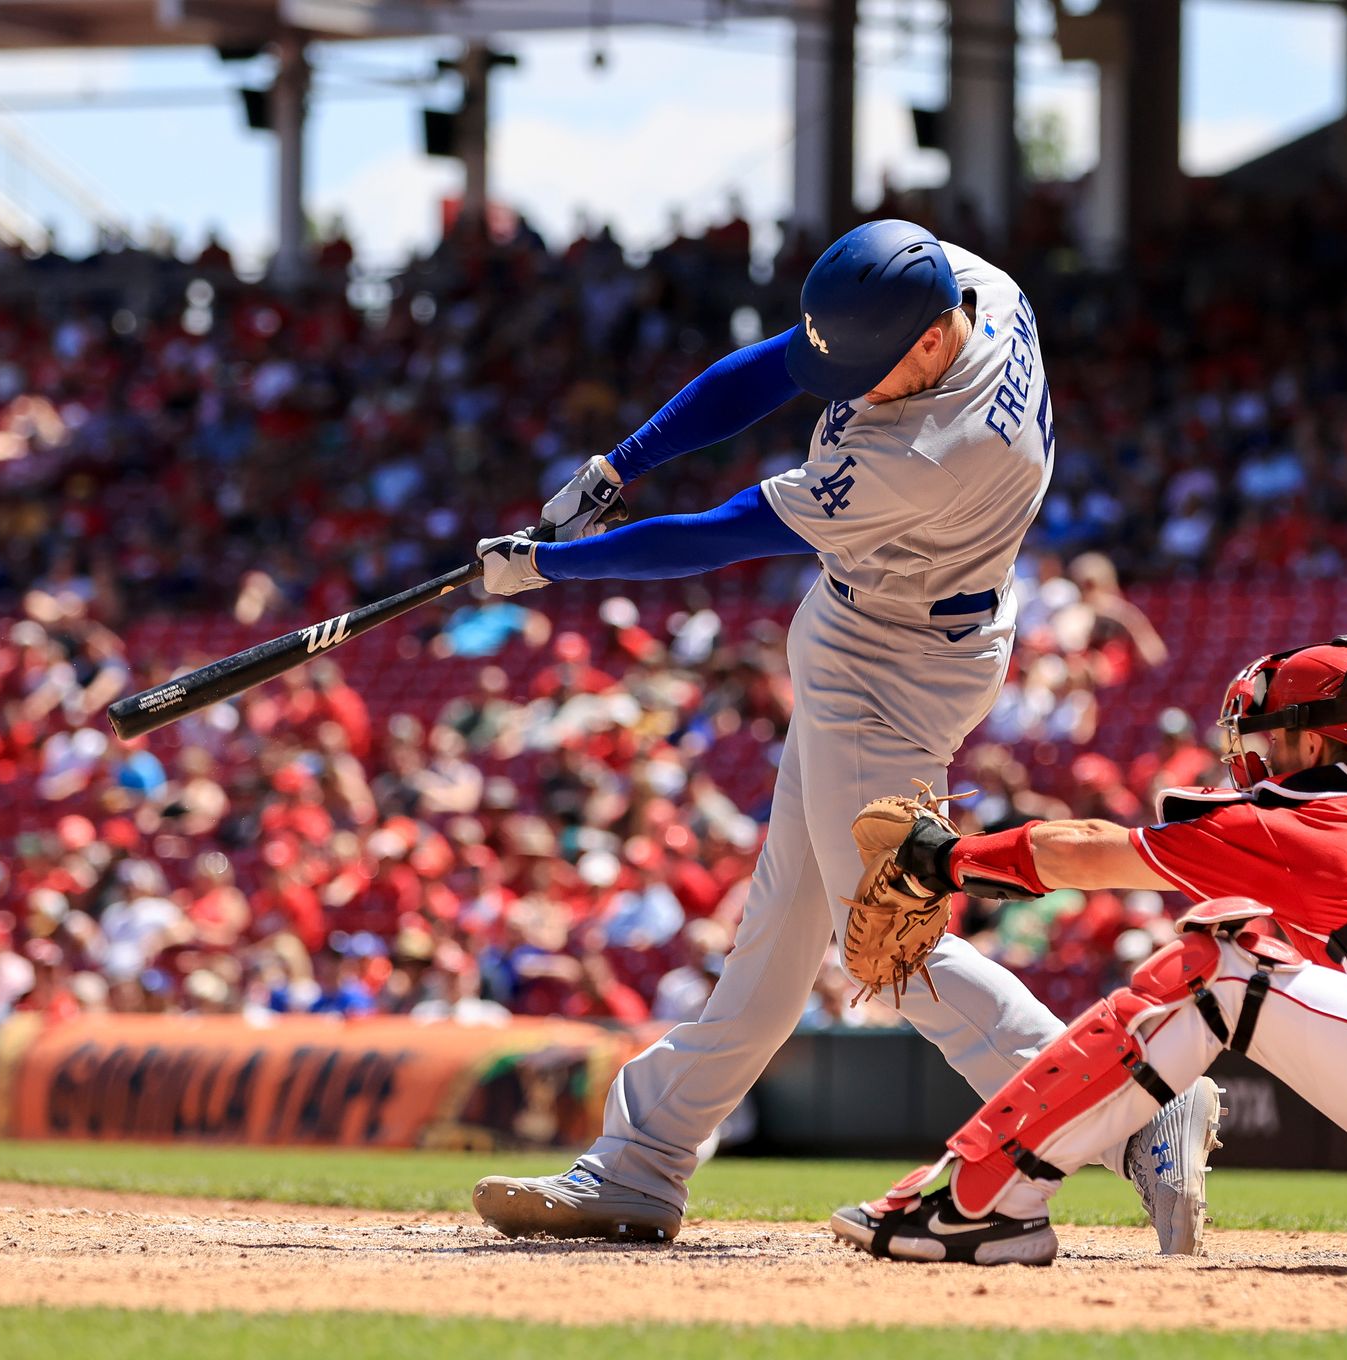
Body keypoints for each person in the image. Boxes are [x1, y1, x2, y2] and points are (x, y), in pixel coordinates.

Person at [468, 218, 1216, 1251]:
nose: (844, 388)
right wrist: (618, 465)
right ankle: (641, 1164)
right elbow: (775, 369)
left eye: (865, 371)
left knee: (888, 941)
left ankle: (1130, 1108)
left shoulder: (932, 450)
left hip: (894, 665)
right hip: (887, 627)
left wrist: (548, 570)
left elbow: (724, 535)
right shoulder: (968, 287)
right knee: (781, 933)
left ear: (923, 345)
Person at [830, 637, 1347, 1264]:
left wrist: (942, 858)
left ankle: (987, 1201)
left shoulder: (1299, 823)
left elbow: (1082, 849)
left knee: (1226, 967)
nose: (1263, 756)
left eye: (1272, 739)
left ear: (1311, 743)